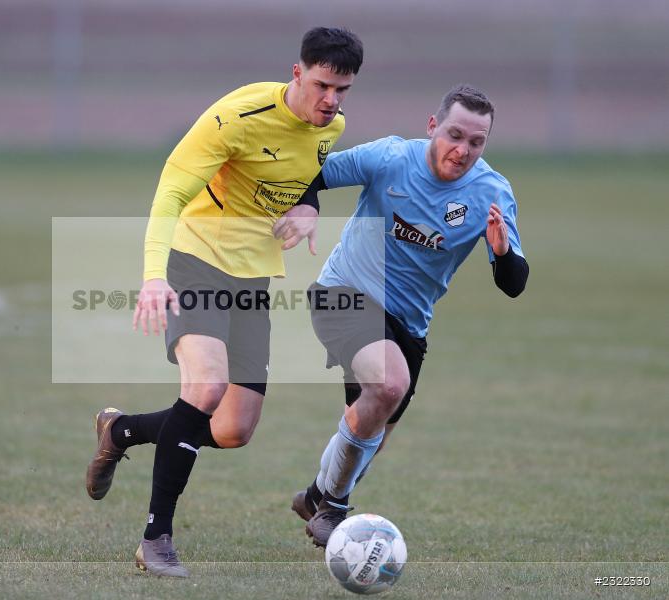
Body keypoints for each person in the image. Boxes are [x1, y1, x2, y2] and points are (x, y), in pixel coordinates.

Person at [84, 27, 364, 576]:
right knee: (205, 387)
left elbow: (304, 169)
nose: (331, 101)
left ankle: (120, 430)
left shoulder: (332, 126)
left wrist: (310, 206)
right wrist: (152, 276)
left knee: (232, 429)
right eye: (323, 85)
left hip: (253, 278)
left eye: (343, 90)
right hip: (196, 257)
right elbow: (171, 190)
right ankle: (155, 539)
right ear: (297, 74)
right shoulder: (237, 116)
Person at [290, 84, 529, 547]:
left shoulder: (491, 192)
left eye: (476, 142)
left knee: (372, 431)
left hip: (409, 325)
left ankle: (318, 495)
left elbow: (514, 283)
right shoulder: (390, 158)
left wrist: (501, 254)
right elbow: (310, 173)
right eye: (455, 135)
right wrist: (307, 206)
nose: (462, 151)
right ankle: (332, 512)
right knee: (389, 385)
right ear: (432, 125)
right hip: (342, 292)